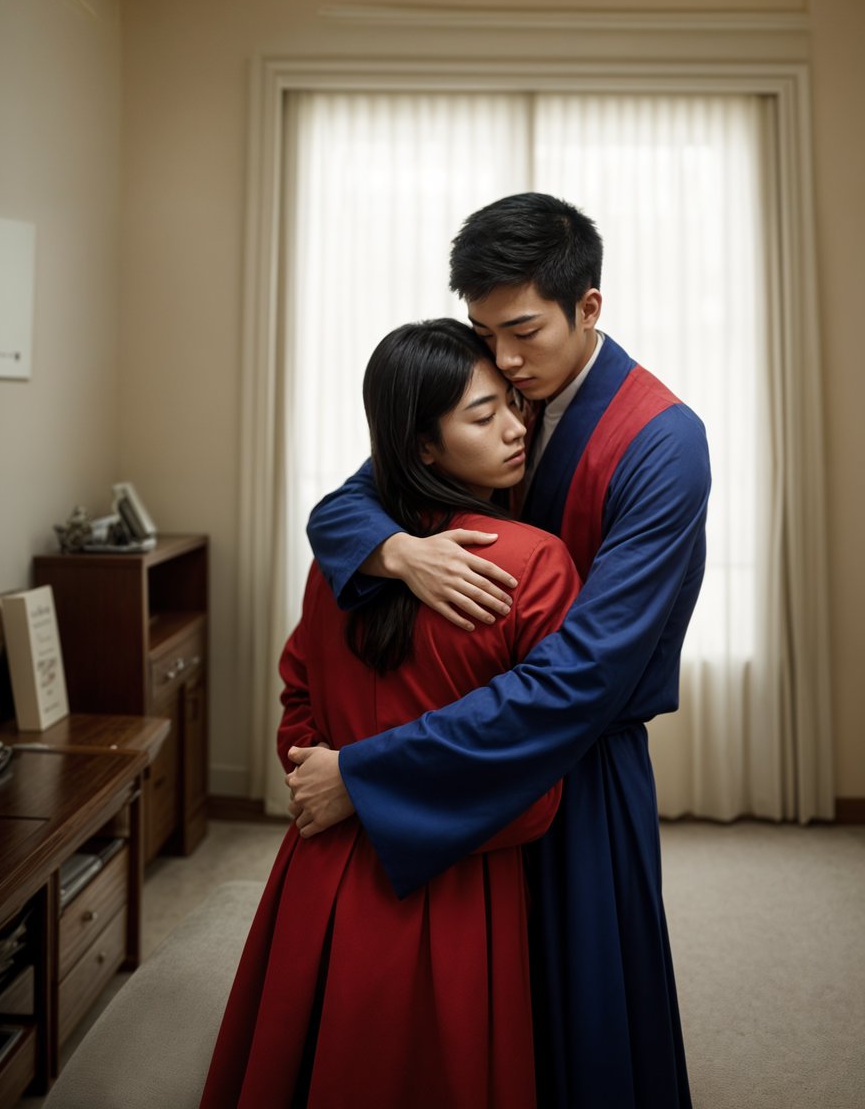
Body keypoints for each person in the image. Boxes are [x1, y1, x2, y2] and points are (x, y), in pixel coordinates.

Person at [288, 192, 712, 1109]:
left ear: (588, 308)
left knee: (584, 999)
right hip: (471, 727)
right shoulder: (500, 386)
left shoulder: (663, 442)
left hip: (578, 755)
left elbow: (584, 678)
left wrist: (365, 772)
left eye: (521, 331)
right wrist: (398, 550)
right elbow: (350, 502)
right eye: (487, 334)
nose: (505, 362)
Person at [199, 319, 580, 1109]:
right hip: (455, 878)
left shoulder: (342, 557)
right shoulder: (533, 562)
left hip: (319, 866)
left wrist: (330, 778)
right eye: (483, 415)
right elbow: (533, 770)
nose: (517, 428)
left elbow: (295, 701)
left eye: (513, 403)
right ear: (423, 448)